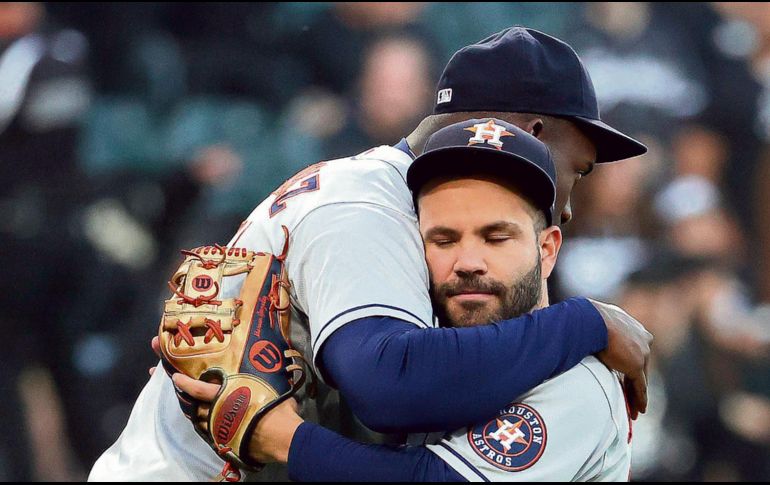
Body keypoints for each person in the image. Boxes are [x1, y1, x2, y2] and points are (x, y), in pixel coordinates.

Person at [89, 27, 651, 481]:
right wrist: (585, 321)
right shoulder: (367, 207)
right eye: (576, 169)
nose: (570, 206)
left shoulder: (402, 205)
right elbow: (393, 390)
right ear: (523, 132)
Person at [175, 119, 633, 482]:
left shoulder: (579, 382)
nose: (468, 261)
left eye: (496, 238)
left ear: (548, 249)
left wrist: (281, 438)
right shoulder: (435, 364)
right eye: (444, 240)